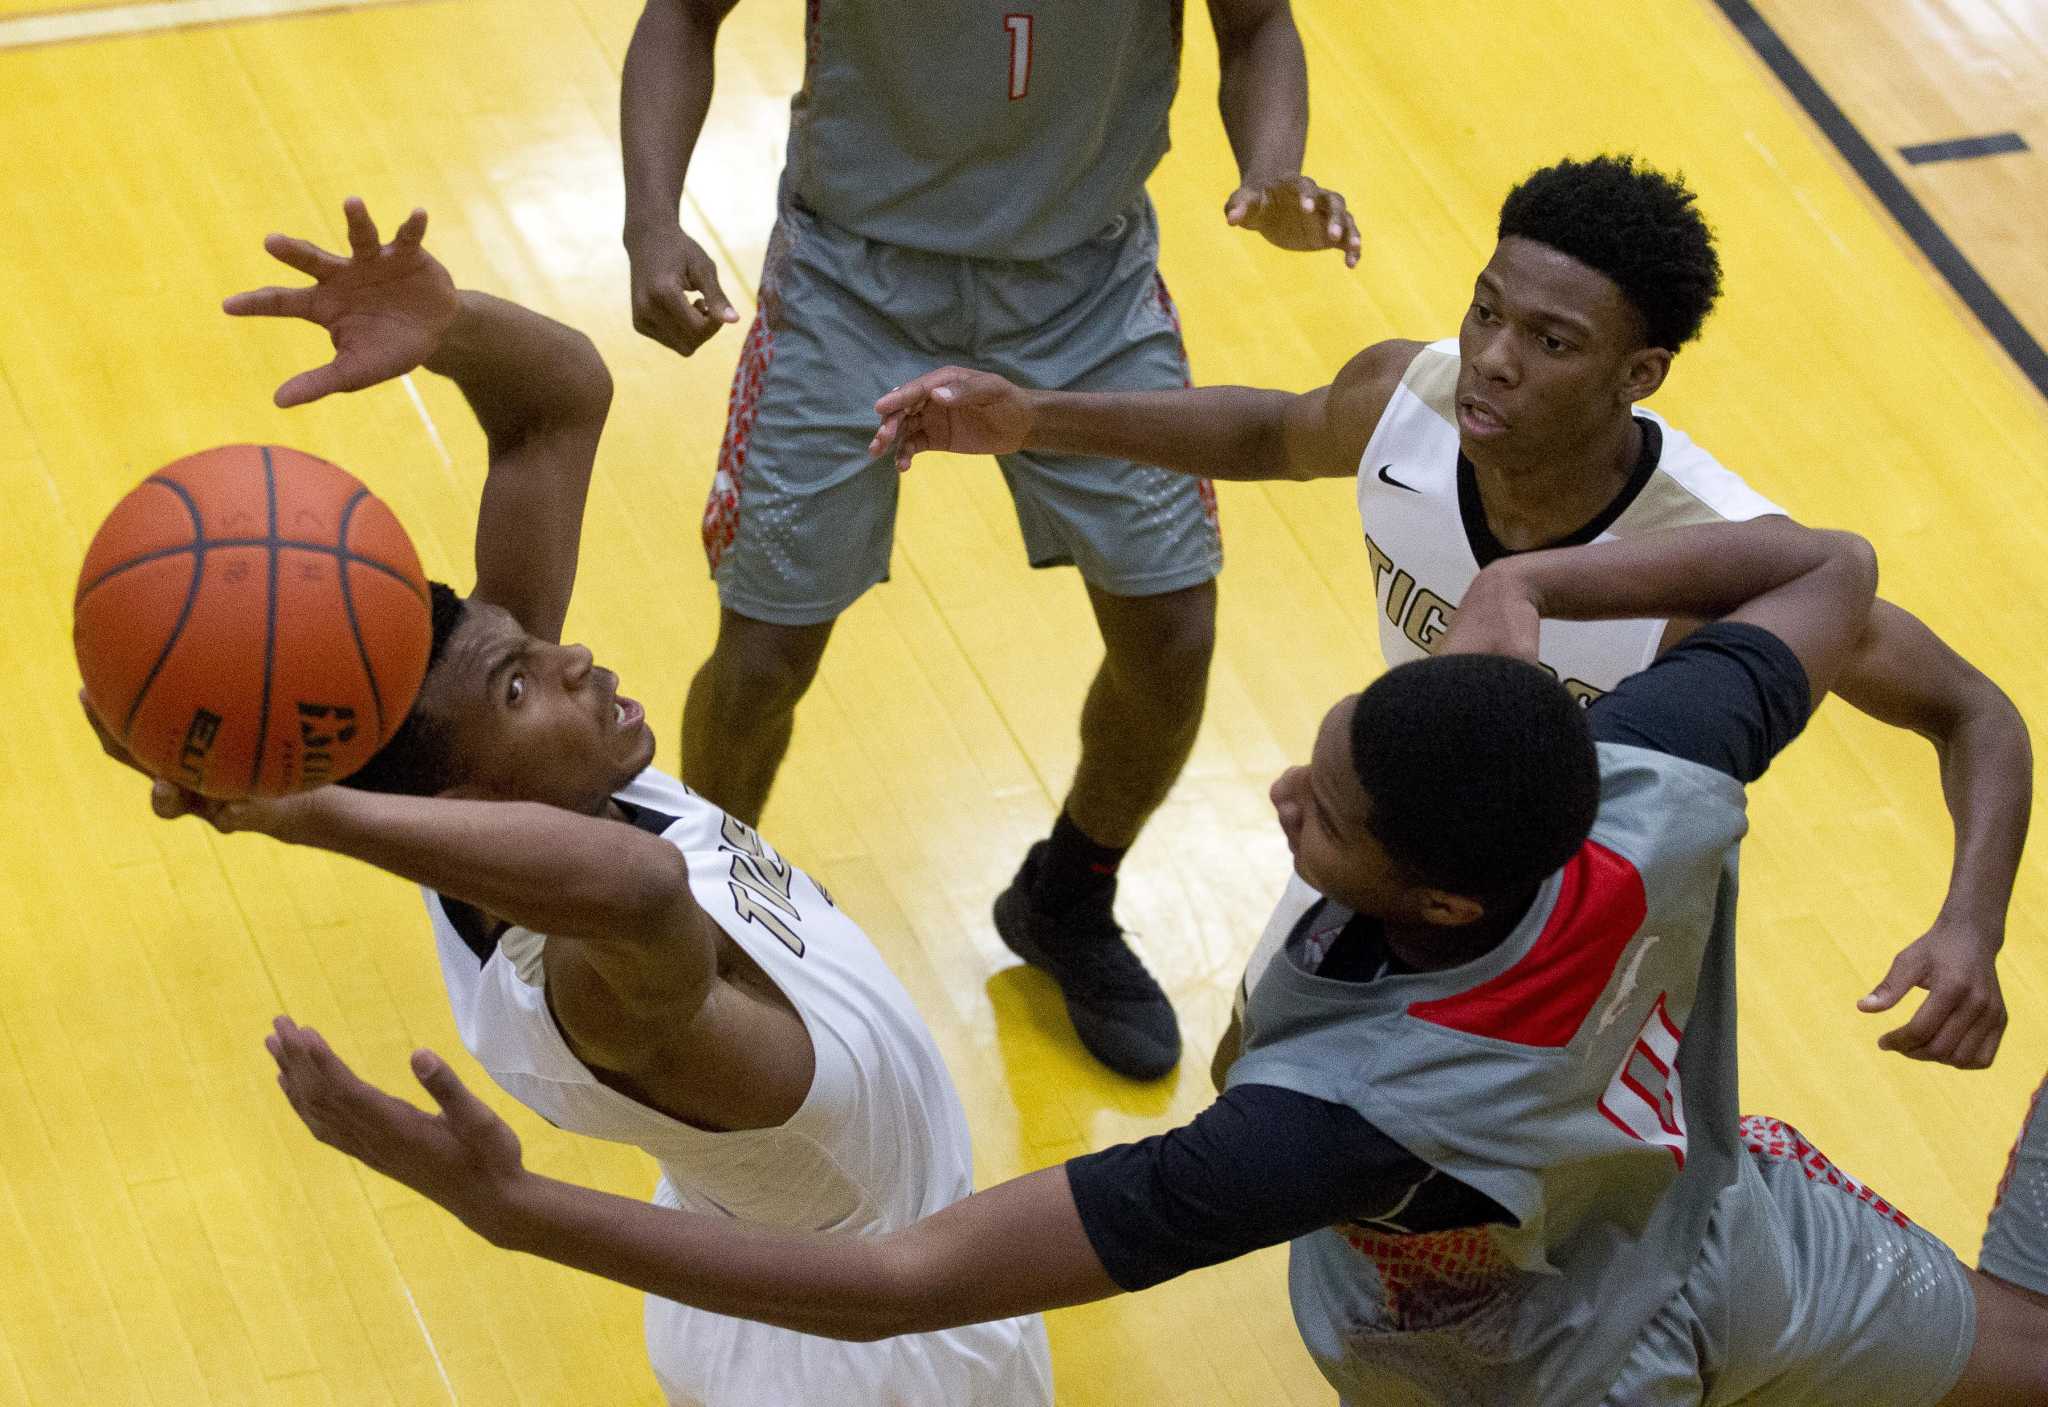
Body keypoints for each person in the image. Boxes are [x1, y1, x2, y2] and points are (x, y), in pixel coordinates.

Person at [265, 514, 2048, 1403]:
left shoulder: (1334, 1120)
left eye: (1327, 816)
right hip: (1696, 1199)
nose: (1280, 792)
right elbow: (1829, 565)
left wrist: (507, 1215)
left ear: (1429, 907)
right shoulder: (1645, 770)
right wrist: (1534, 593)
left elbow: (898, 1286)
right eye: (1331, 745)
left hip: (1536, 1353)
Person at [85, 200, 1052, 1407]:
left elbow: (555, 403)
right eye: (518, 681)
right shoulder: (587, 984)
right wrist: (293, 812)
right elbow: (644, 893)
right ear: (461, 782)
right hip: (867, 1359)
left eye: (530, 647)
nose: (574, 657)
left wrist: (446, 327)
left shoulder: (540, 790)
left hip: (778, 1268)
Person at [870, 153, 2029, 1073]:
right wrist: (1032, 419)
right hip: (1390, 840)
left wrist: (1968, 924)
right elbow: (1271, 432)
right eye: (1485, 312)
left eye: (1550, 341)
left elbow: (1973, 712)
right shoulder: (1405, 399)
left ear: (1640, 375)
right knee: (1251, 1075)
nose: (1491, 360)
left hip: (1590, 921)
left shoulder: (1719, 560)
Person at [620, 0, 1362, 1080]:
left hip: (1084, 284)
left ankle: (1067, 895)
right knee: (765, 656)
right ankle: (707, 923)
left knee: (1172, 634)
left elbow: (1257, 27)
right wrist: (650, 219)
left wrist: (1274, 166)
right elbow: (681, 15)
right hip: (848, 278)